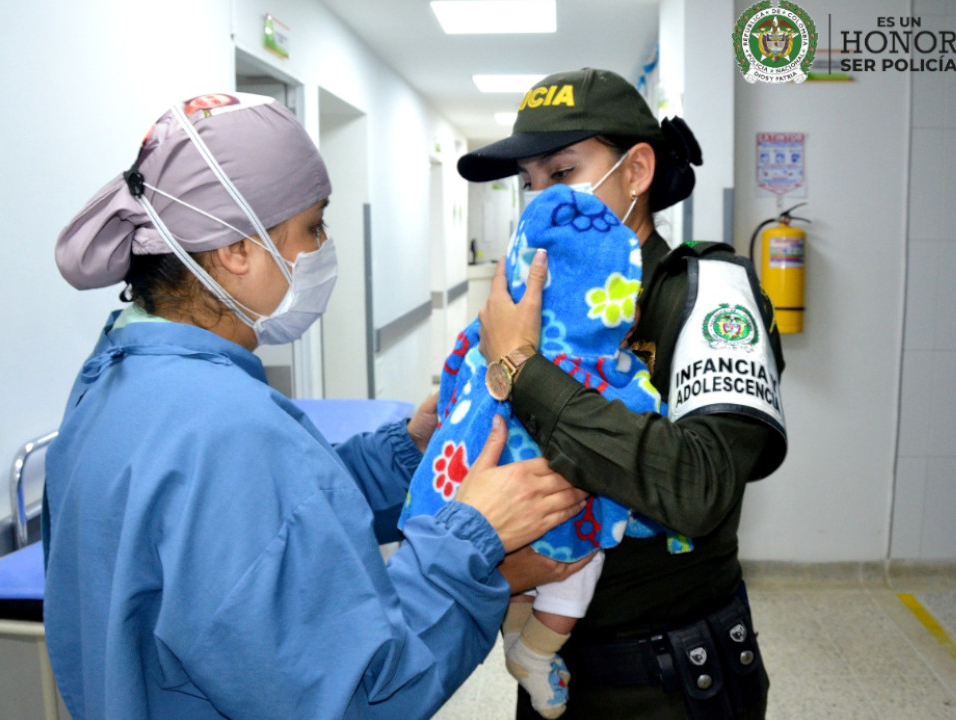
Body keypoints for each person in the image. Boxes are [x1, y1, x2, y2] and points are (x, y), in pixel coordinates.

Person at [44, 91, 589, 720]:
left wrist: (410, 451)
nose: (323, 245)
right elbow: (359, 691)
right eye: (314, 226)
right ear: (236, 250)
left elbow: (263, 533)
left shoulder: (117, 377)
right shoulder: (229, 429)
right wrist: (472, 542)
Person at [458, 68, 789, 720]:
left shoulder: (707, 290)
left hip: (668, 679)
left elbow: (698, 486)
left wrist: (522, 369)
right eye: (529, 181)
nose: (539, 199)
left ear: (636, 171)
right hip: (552, 663)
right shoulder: (540, 306)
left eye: (562, 173)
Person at [398, 183, 691, 718]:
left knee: (518, 577)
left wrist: (434, 431)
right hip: (554, 508)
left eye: (559, 168)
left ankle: (515, 634)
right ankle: (534, 652)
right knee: (580, 564)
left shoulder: (488, 332)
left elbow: (450, 380)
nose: (544, 181)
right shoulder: (609, 367)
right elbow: (651, 440)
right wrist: (670, 525)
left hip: (473, 490)